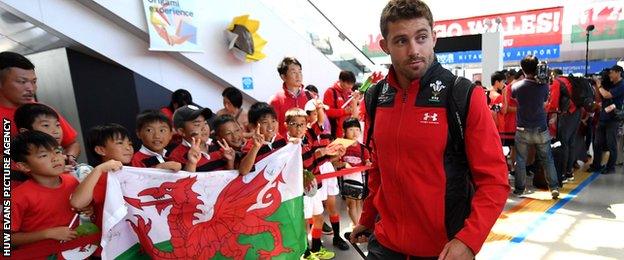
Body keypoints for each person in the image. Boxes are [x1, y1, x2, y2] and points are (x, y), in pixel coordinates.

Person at [350, 1, 509, 259]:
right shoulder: (376, 97)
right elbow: (380, 171)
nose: (414, 50)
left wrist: (468, 241)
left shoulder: (463, 95)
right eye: (401, 41)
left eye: (421, 37)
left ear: (433, 38)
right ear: (385, 46)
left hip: (443, 251)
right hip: (384, 246)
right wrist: (368, 218)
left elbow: (495, 181)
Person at [10, 131, 88, 254]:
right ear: (24, 166)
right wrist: (47, 234)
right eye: (43, 155)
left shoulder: (73, 180)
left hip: (78, 252)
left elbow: (82, 211)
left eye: (57, 151)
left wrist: (88, 210)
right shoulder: (17, 197)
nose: (55, 158)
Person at [0, 51, 80, 162]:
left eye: (33, 81)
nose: (30, 88)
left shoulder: (41, 110)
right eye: (22, 81)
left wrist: (70, 157)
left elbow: (72, 143)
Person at [512, 55, 560, 199]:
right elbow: (545, 100)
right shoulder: (544, 86)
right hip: (540, 127)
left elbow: (514, 95)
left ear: (522, 69)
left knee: (520, 159)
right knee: (547, 159)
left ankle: (520, 189)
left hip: (522, 128)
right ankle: (553, 188)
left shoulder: (517, 86)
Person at [168, 105, 234, 172]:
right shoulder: (176, 156)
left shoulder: (218, 146)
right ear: (182, 131)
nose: (204, 128)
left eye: (205, 123)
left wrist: (230, 161)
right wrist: (191, 163)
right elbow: (183, 181)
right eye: (197, 125)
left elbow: (228, 178)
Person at [546, 70, 581, 184]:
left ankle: (562, 174)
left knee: (563, 143)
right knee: (571, 143)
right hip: (576, 112)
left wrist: (550, 112)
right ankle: (569, 172)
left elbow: (554, 102)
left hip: (566, 113)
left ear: (553, 75)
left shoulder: (557, 82)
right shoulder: (569, 80)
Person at [588, 65, 624, 174]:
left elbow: (607, 95)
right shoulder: (609, 84)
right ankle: (596, 165)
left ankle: (610, 168)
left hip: (613, 119)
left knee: (611, 144)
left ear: (618, 72)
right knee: (597, 143)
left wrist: (599, 85)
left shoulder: (622, 85)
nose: (609, 75)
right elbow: (601, 96)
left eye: (611, 72)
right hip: (603, 117)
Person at [336, 118, 371, 228]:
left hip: (359, 179)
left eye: (357, 129)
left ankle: (357, 224)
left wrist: (368, 164)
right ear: (344, 131)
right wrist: (344, 165)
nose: (354, 132)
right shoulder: (340, 146)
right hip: (346, 179)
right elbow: (335, 163)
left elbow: (367, 161)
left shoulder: (363, 148)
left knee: (358, 202)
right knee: (351, 203)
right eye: (351, 129)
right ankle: (356, 225)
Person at [269, 57, 313, 137]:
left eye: (300, 72)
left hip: (309, 146)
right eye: (293, 72)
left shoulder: (309, 96)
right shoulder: (276, 100)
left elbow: (316, 123)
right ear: (283, 77)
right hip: (287, 146)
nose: (298, 76)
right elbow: (273, 131)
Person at [324, 70, 359, 138]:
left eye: (352, 84)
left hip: (347, 132)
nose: (350, 86)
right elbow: (327, 112)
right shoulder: (330, 92)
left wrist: (355, 101)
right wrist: (343, 111)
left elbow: (355, 116)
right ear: (340, 80)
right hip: (334, 133)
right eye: (348, 83)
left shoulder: (350, 93)